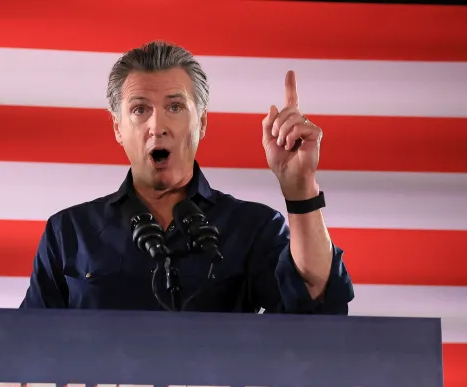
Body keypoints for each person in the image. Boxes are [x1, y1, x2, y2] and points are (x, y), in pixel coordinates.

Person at [20, 41, 354, 314]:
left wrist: (301, 189)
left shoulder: (253, 227)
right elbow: (22, 351)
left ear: (202, 123)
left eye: (175, 107)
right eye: (140, 109)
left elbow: (318, 304)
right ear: (118, 128)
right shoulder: (69, 233)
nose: (157, 125)